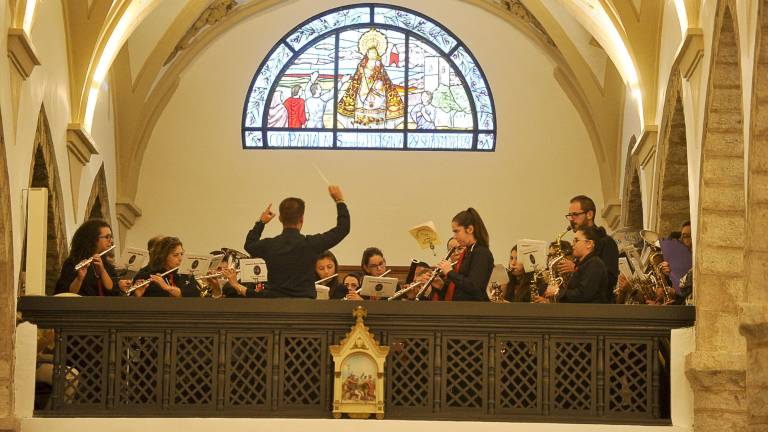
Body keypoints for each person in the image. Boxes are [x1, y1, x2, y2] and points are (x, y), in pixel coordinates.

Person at [244, 185, 349, 298]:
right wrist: (339, 201)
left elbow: (249, 245)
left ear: (280, 219)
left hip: (274, 306)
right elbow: (342, 229)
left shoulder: (269, 245)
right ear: (301, 219)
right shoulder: (311, 244)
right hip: (304, 308)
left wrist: (261, 222)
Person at [337, 28, 404, 128]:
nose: (372, 54)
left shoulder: (380, 66)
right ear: (367, 54)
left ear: (377, 54)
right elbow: (356, 81)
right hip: (362, 92)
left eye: (374, 52)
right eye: (370, 52)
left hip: (378, 94)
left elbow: (385, 81)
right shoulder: (361, 66)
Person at [556, 195, 619, 301]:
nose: (571, 219)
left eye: (575, 214)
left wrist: (576, 269)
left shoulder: (606, 242)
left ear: (589, 214)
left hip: (598, 307)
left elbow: (611, 280)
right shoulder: (580, 245)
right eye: (570, 215)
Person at [541, 226, 611, 303]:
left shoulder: (595, 264)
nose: (572, 244)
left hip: (590, 313)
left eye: (576, 240)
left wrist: (557, 291)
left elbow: (583, 294)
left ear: (589, 244)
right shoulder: (583, 264)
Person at [55, 219, 125, 296]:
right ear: (93, 239)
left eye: (111, 237)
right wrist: (79, 278)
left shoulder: (107, 266)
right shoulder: (73, 262)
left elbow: (113, 291)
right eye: (107, 237)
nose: (111, 241)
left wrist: (102, 271)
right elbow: (67, 294)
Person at [436, 208, 494, 301]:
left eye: (457, 231)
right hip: (461, 309)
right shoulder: (468, 252)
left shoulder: (482, 253)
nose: (454, 236)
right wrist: (441, 285)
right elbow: (460, 290)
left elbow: (474, 287)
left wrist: (450, 272)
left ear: (470, 229)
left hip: (473, 311)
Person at [132, 237, 200, 298]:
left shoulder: (186, 274)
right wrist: (137, 296)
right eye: (175, 255)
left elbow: (195, 295)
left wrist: (167, 288)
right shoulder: (146, 274)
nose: (180, 259)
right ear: (163, 256)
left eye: (181, 254)